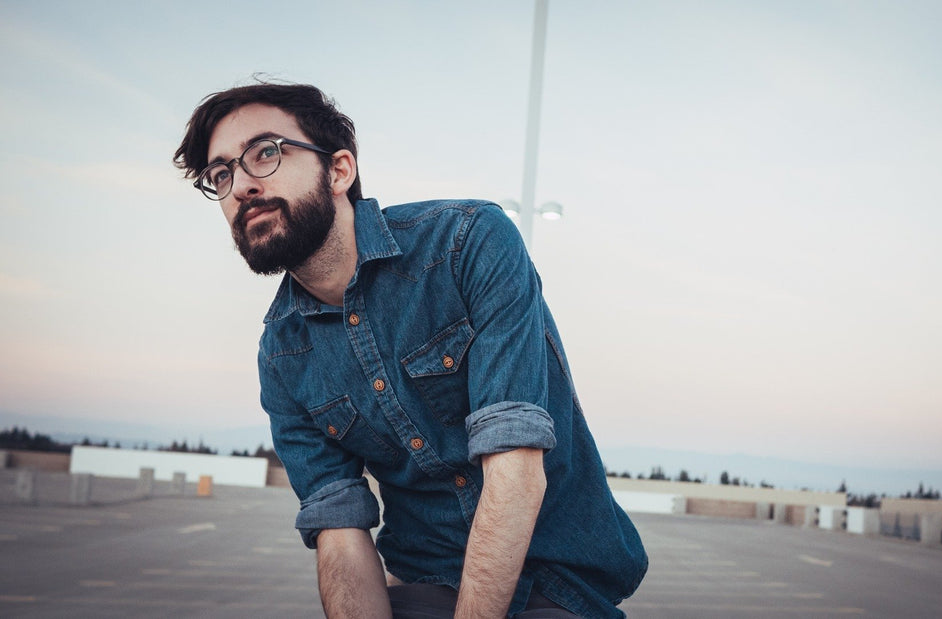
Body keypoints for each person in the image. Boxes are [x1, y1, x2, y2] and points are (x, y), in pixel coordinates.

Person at [173, 82, 647, 618]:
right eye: (221, 175)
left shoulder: (466, 244)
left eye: (266, 153)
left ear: (339, 171)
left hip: (559, 583)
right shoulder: (282, 356)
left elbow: (515, 464)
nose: (241, 187)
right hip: (424, 583)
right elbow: (339, 531)